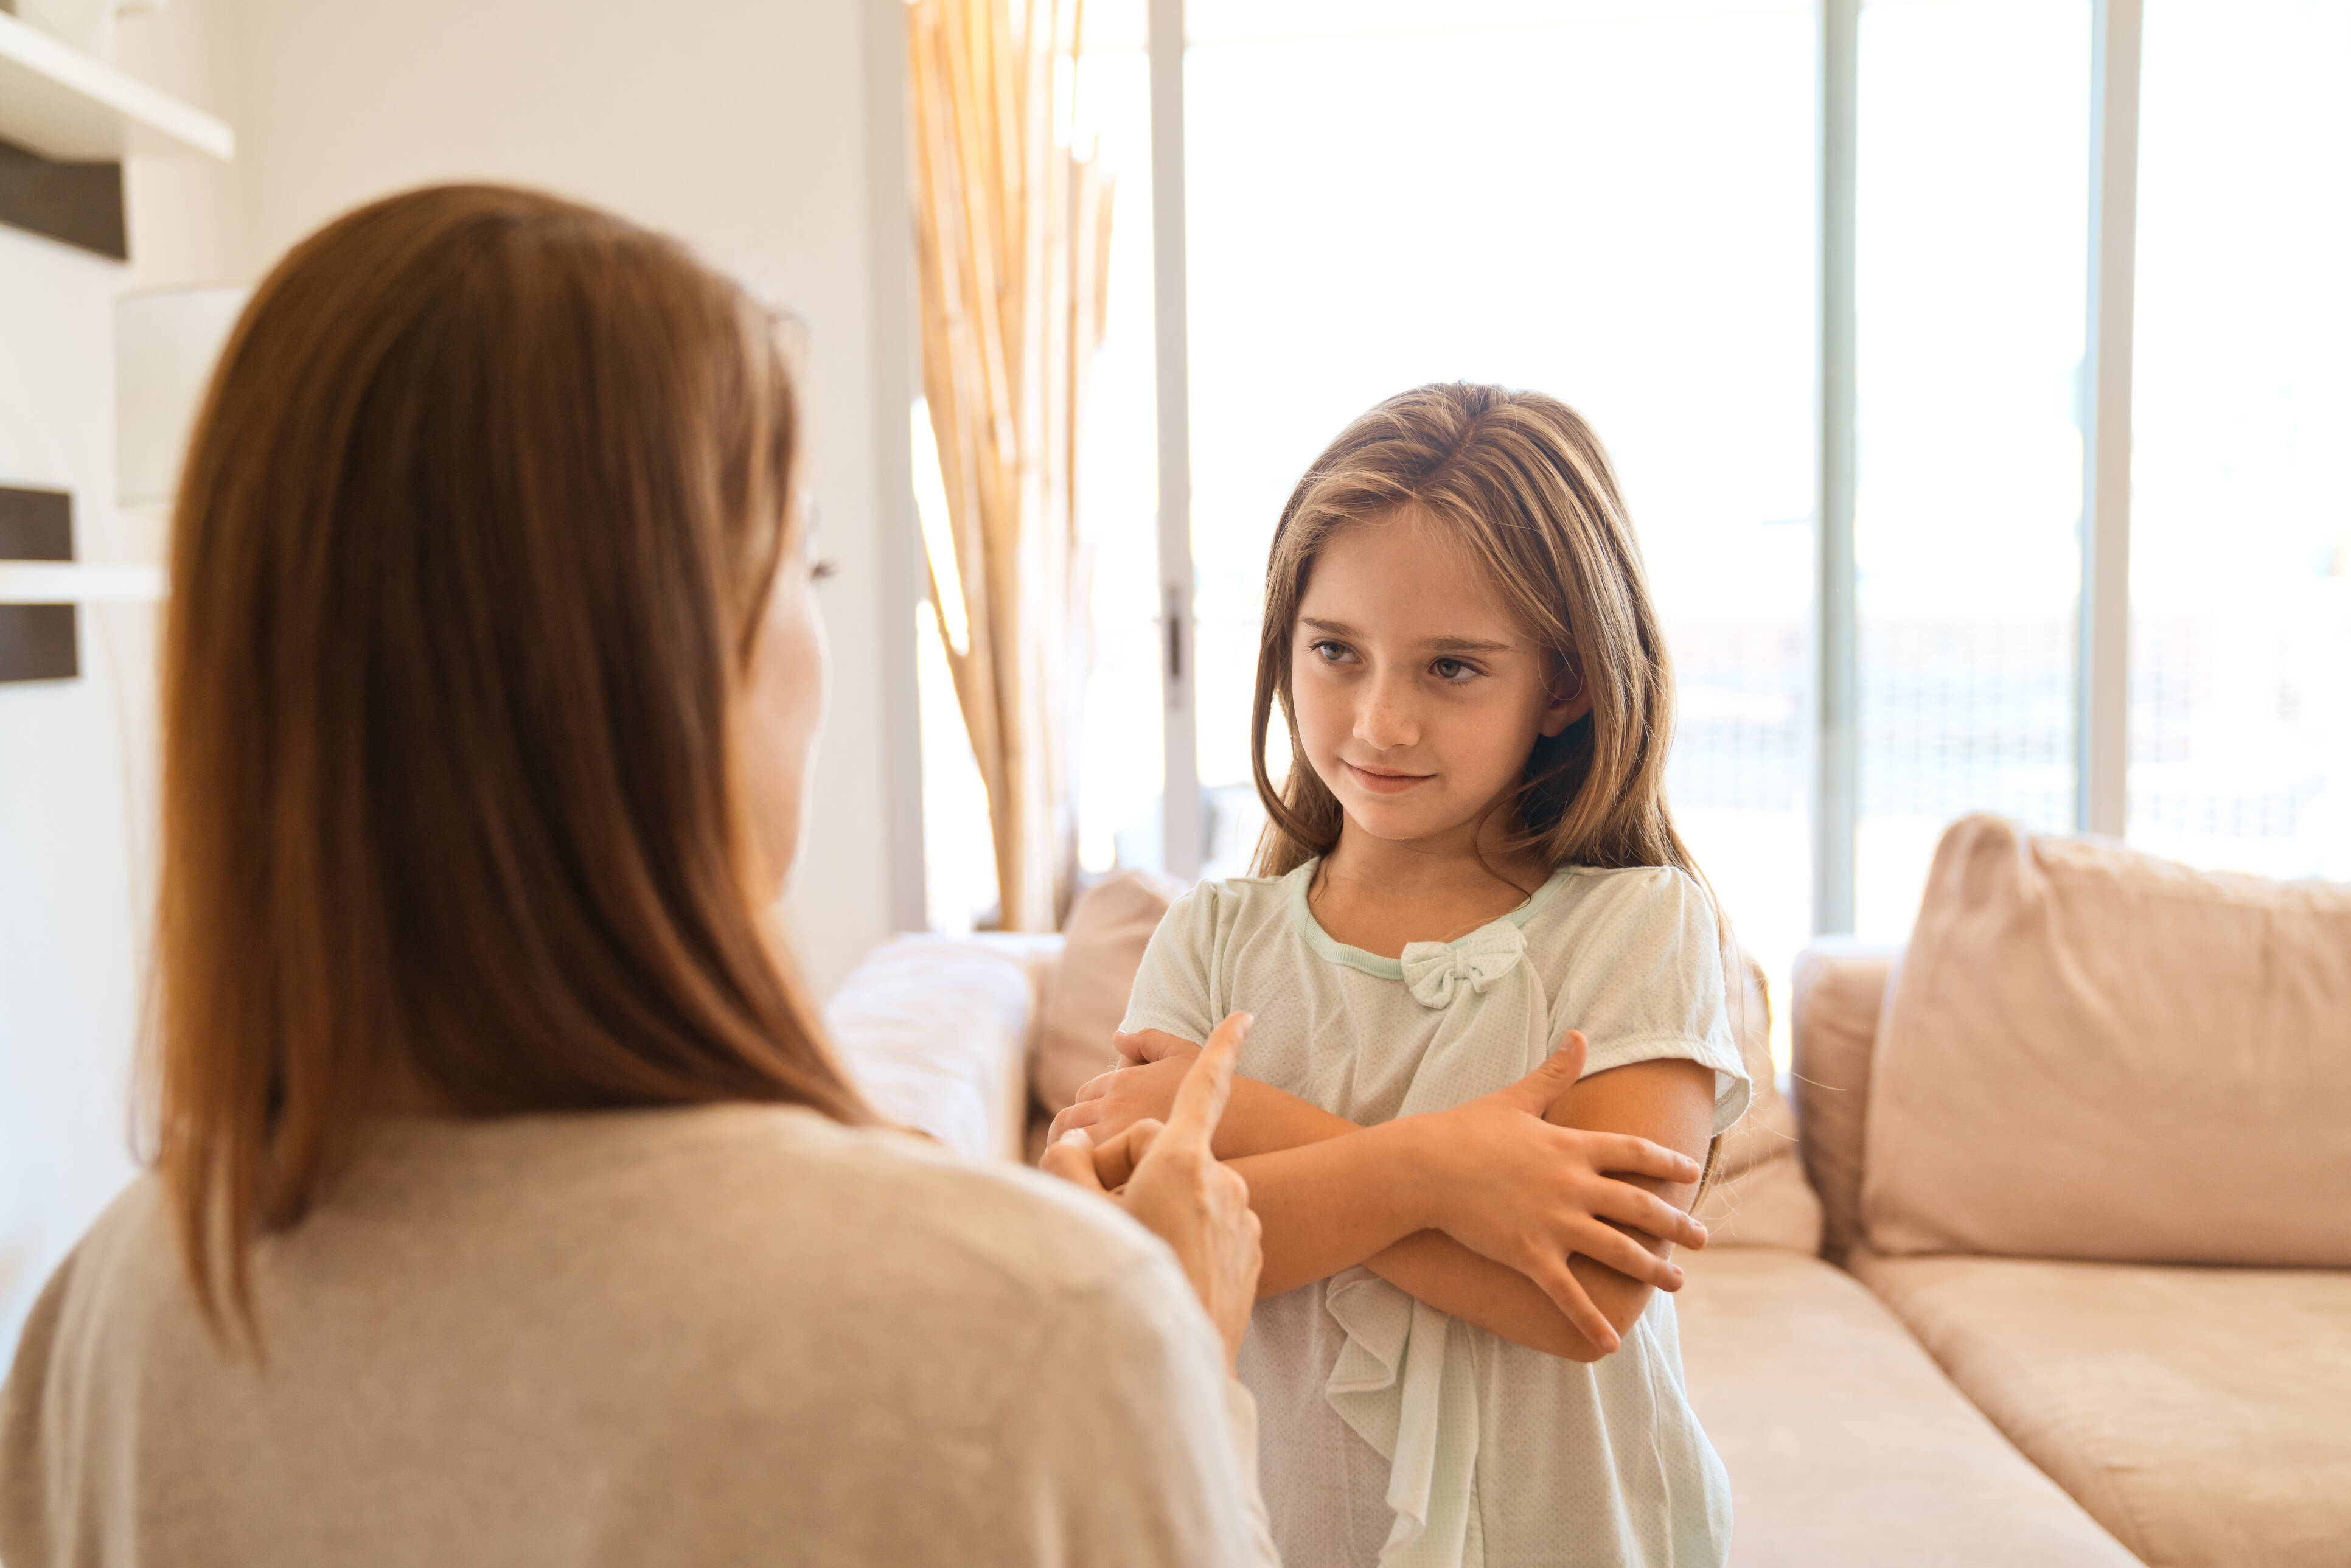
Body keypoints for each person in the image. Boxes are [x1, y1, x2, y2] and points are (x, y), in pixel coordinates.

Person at [0, 183, 1275, 1567]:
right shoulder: (1046, 1331)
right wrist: (1186, 1366)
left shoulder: (109, 1315)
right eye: (804, 563)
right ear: (662, 664)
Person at [1049, 383, 1752, 1567]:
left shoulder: (1641, 926)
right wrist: (1447, 1173)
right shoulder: (1211, 942)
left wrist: (1244, 1124)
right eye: (1336, 651)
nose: (1380, 721)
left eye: (1453, 667)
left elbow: (1584, 1293)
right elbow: (1157, 1260)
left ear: (1566, 684)